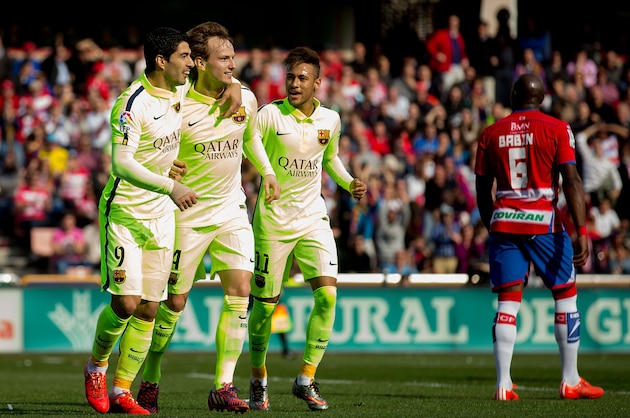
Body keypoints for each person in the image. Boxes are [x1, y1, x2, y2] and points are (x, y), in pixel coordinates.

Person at [82, 26, 242, 415]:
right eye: (185, 57)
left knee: (151, 309)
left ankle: (123, 392)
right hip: (126, 211)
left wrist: (234, 85)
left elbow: (214, 82)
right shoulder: (130, 104)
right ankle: (96, 367)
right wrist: (169, 185)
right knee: (125, 303)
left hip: (161, 217)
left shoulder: (179, 92)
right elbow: (121, 163)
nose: (191, 64)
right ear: (161, 61)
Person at [134, 21, 279, 414]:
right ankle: (150, 377)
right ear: (199, 62)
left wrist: (266, 171)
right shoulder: (174, 102)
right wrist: (166, 172)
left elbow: (250, 137)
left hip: (231, 208)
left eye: (234, 56)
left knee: (240, 292)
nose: (234, 64)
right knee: (174, 303)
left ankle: (223, 386)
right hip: (187, 214)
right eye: (224, 58)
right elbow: (149, 144)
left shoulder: (244, 97)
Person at [247, 46, 367, 411]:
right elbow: (250, 143)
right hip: (272, 221)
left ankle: (306, 377)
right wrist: (267, 173)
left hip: (313, 217)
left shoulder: (330, 119)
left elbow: (329, 159)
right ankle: (258, 378)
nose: (294, 84)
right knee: (266, 309)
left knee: (328, 296)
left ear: (317, 83)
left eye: (302, 78)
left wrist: (349, 183)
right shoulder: (269, 115)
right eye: (290, 77)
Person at [474, 73, 604, 401]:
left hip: (505, 222)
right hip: (544, 222)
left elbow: (481, 188)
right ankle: (570, 379)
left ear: (514, 96)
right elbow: (572, 181)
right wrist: (582, 230)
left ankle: (503, 384)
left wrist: (494, 224)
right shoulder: (557, 128)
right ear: (542, 98)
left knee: (507, 302)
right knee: (566, 295)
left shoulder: (490, 133)